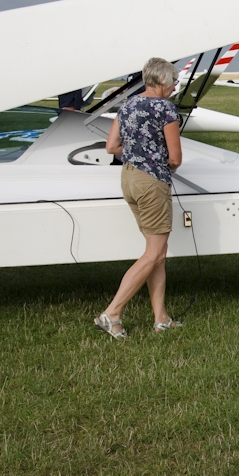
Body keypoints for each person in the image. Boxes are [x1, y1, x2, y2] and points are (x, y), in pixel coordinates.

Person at [95, 57, 184, 338]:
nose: (175, 87)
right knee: (154, 253)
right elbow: (175, 158)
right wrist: (156, 159)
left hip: (129, 179)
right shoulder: (165, 108)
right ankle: (112, 313)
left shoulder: (128, 105)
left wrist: (139, 152)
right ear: (162, 80)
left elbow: (112, 147)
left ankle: (161, 318)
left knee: (157, 253)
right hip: (152, 182)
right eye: (174, 81)